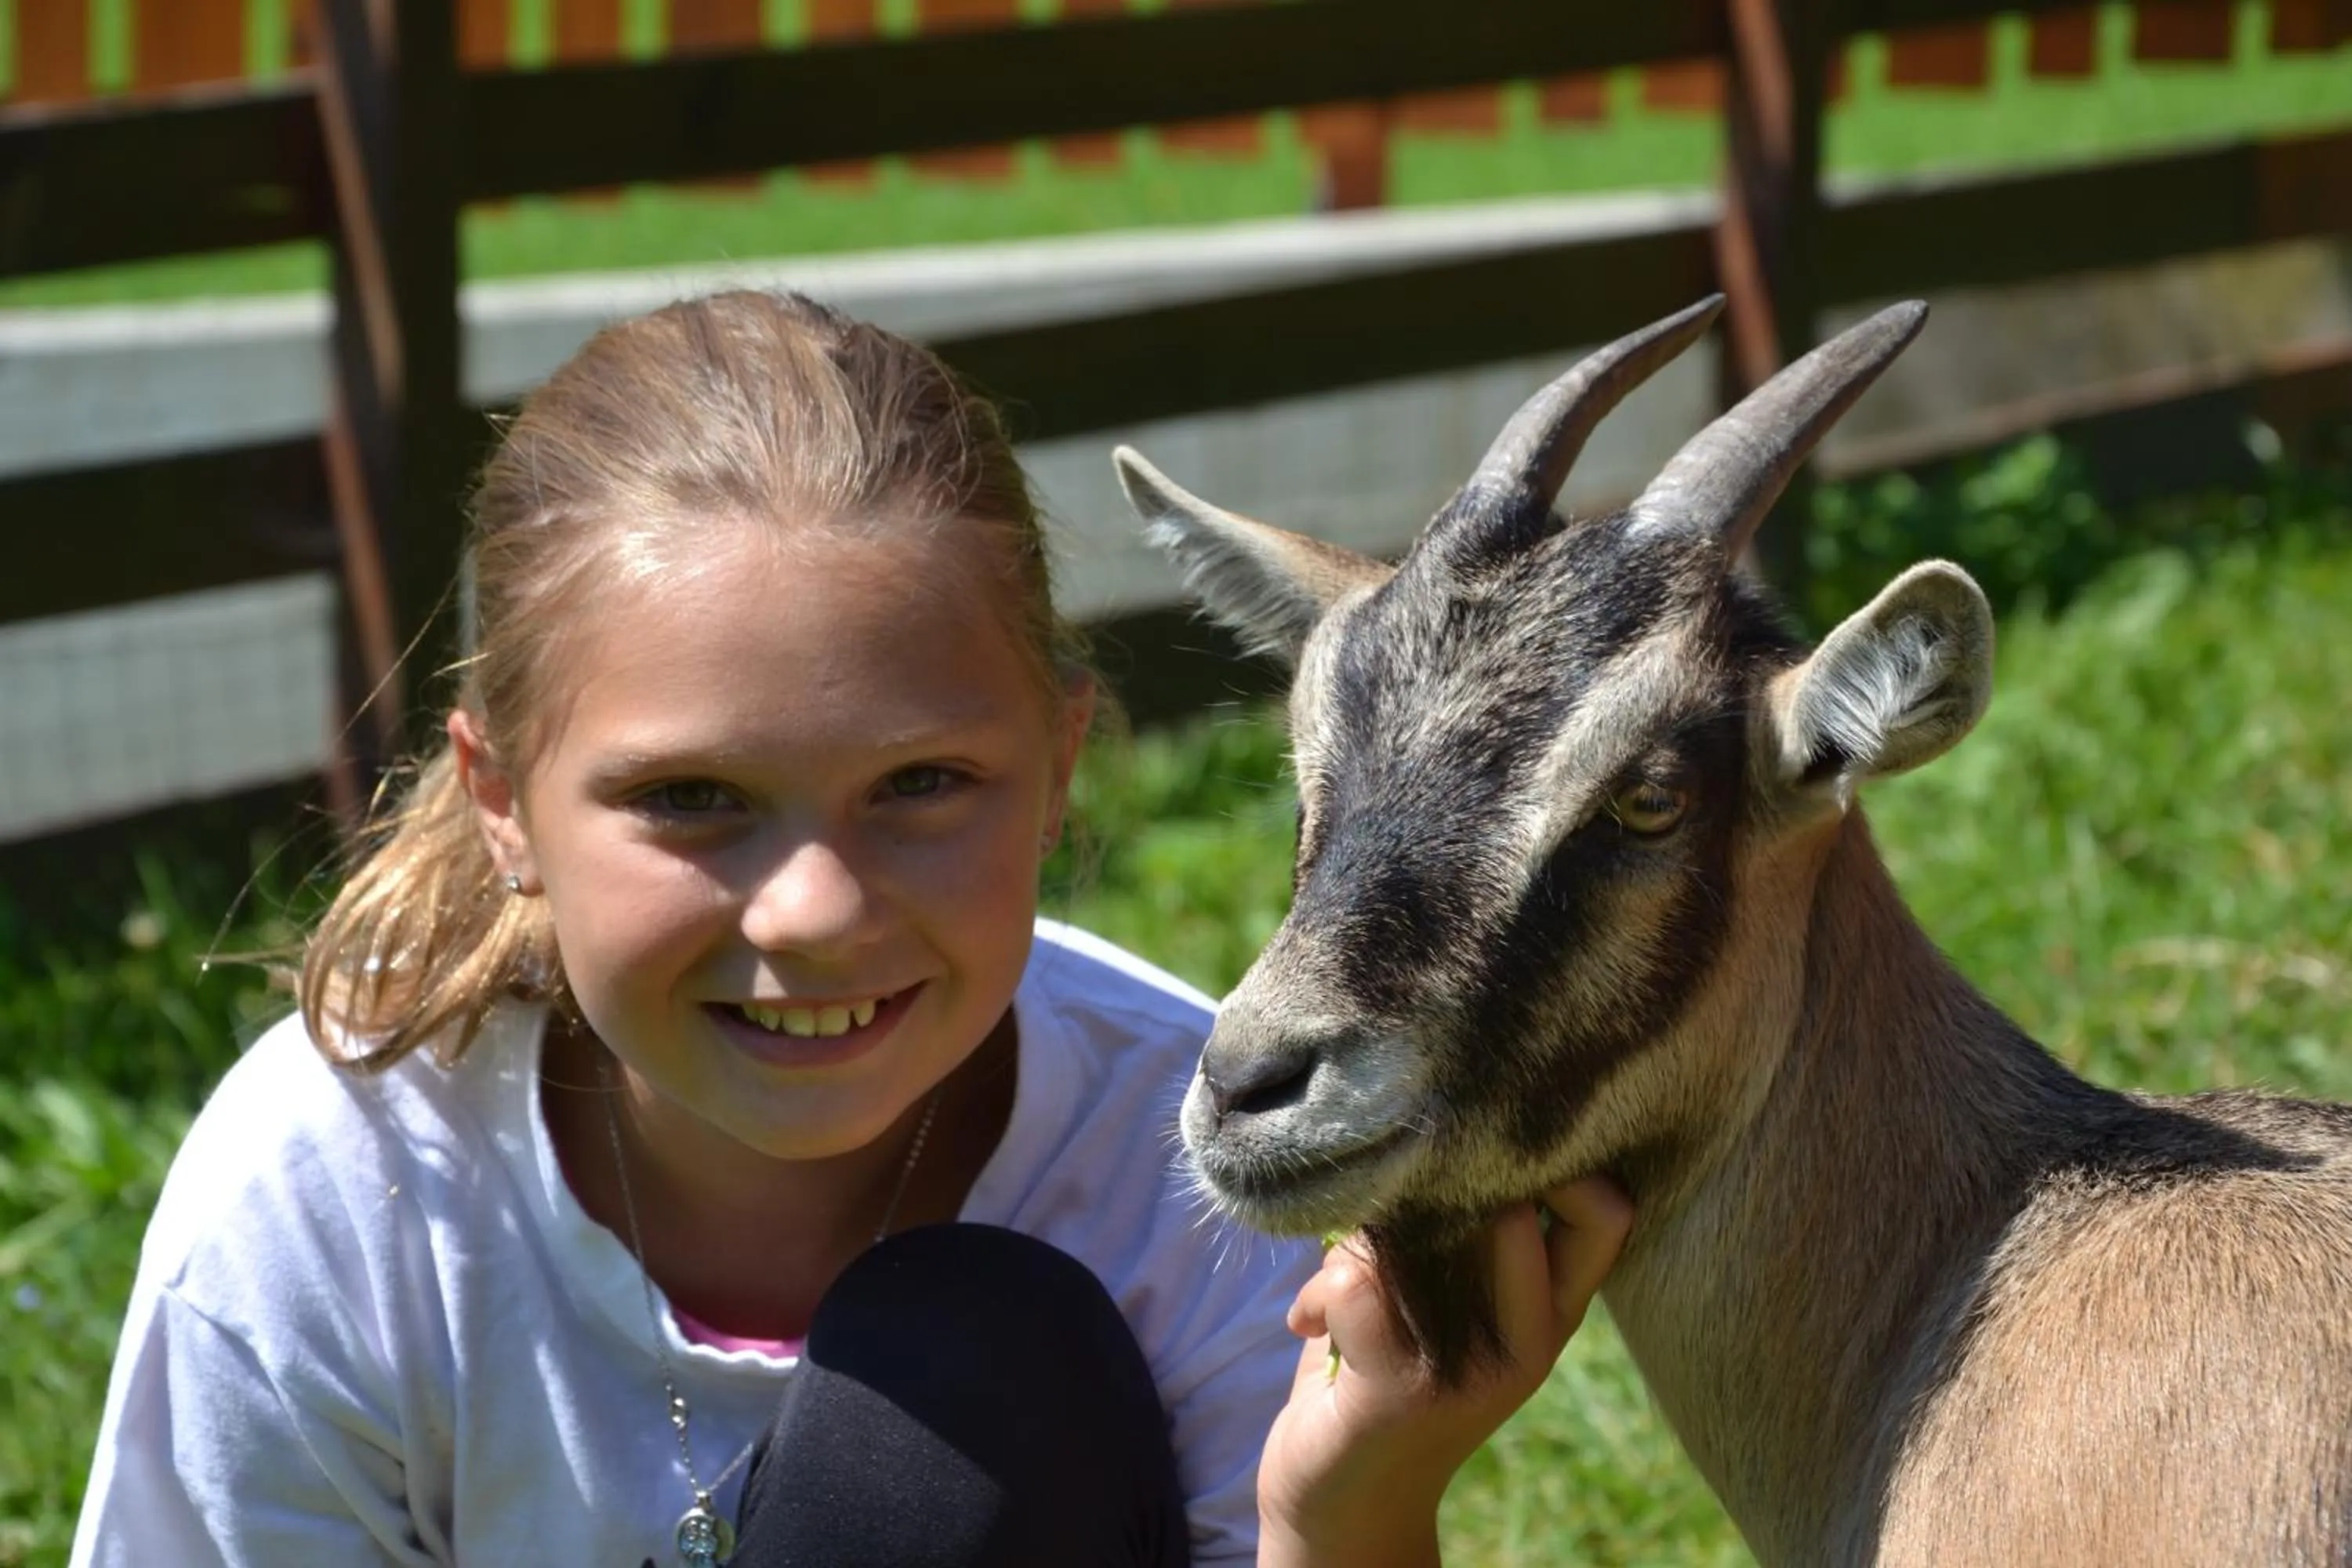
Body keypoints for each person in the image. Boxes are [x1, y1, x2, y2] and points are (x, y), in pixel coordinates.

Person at [71, 291, 1631, 1568]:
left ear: (1059, 769)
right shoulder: (331, 1199)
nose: (814, 910)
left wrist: (1344, 1510)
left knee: (967, 1372)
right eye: (689, 797)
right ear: (500, 800)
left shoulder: (1212, 1178)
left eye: (922, 785)